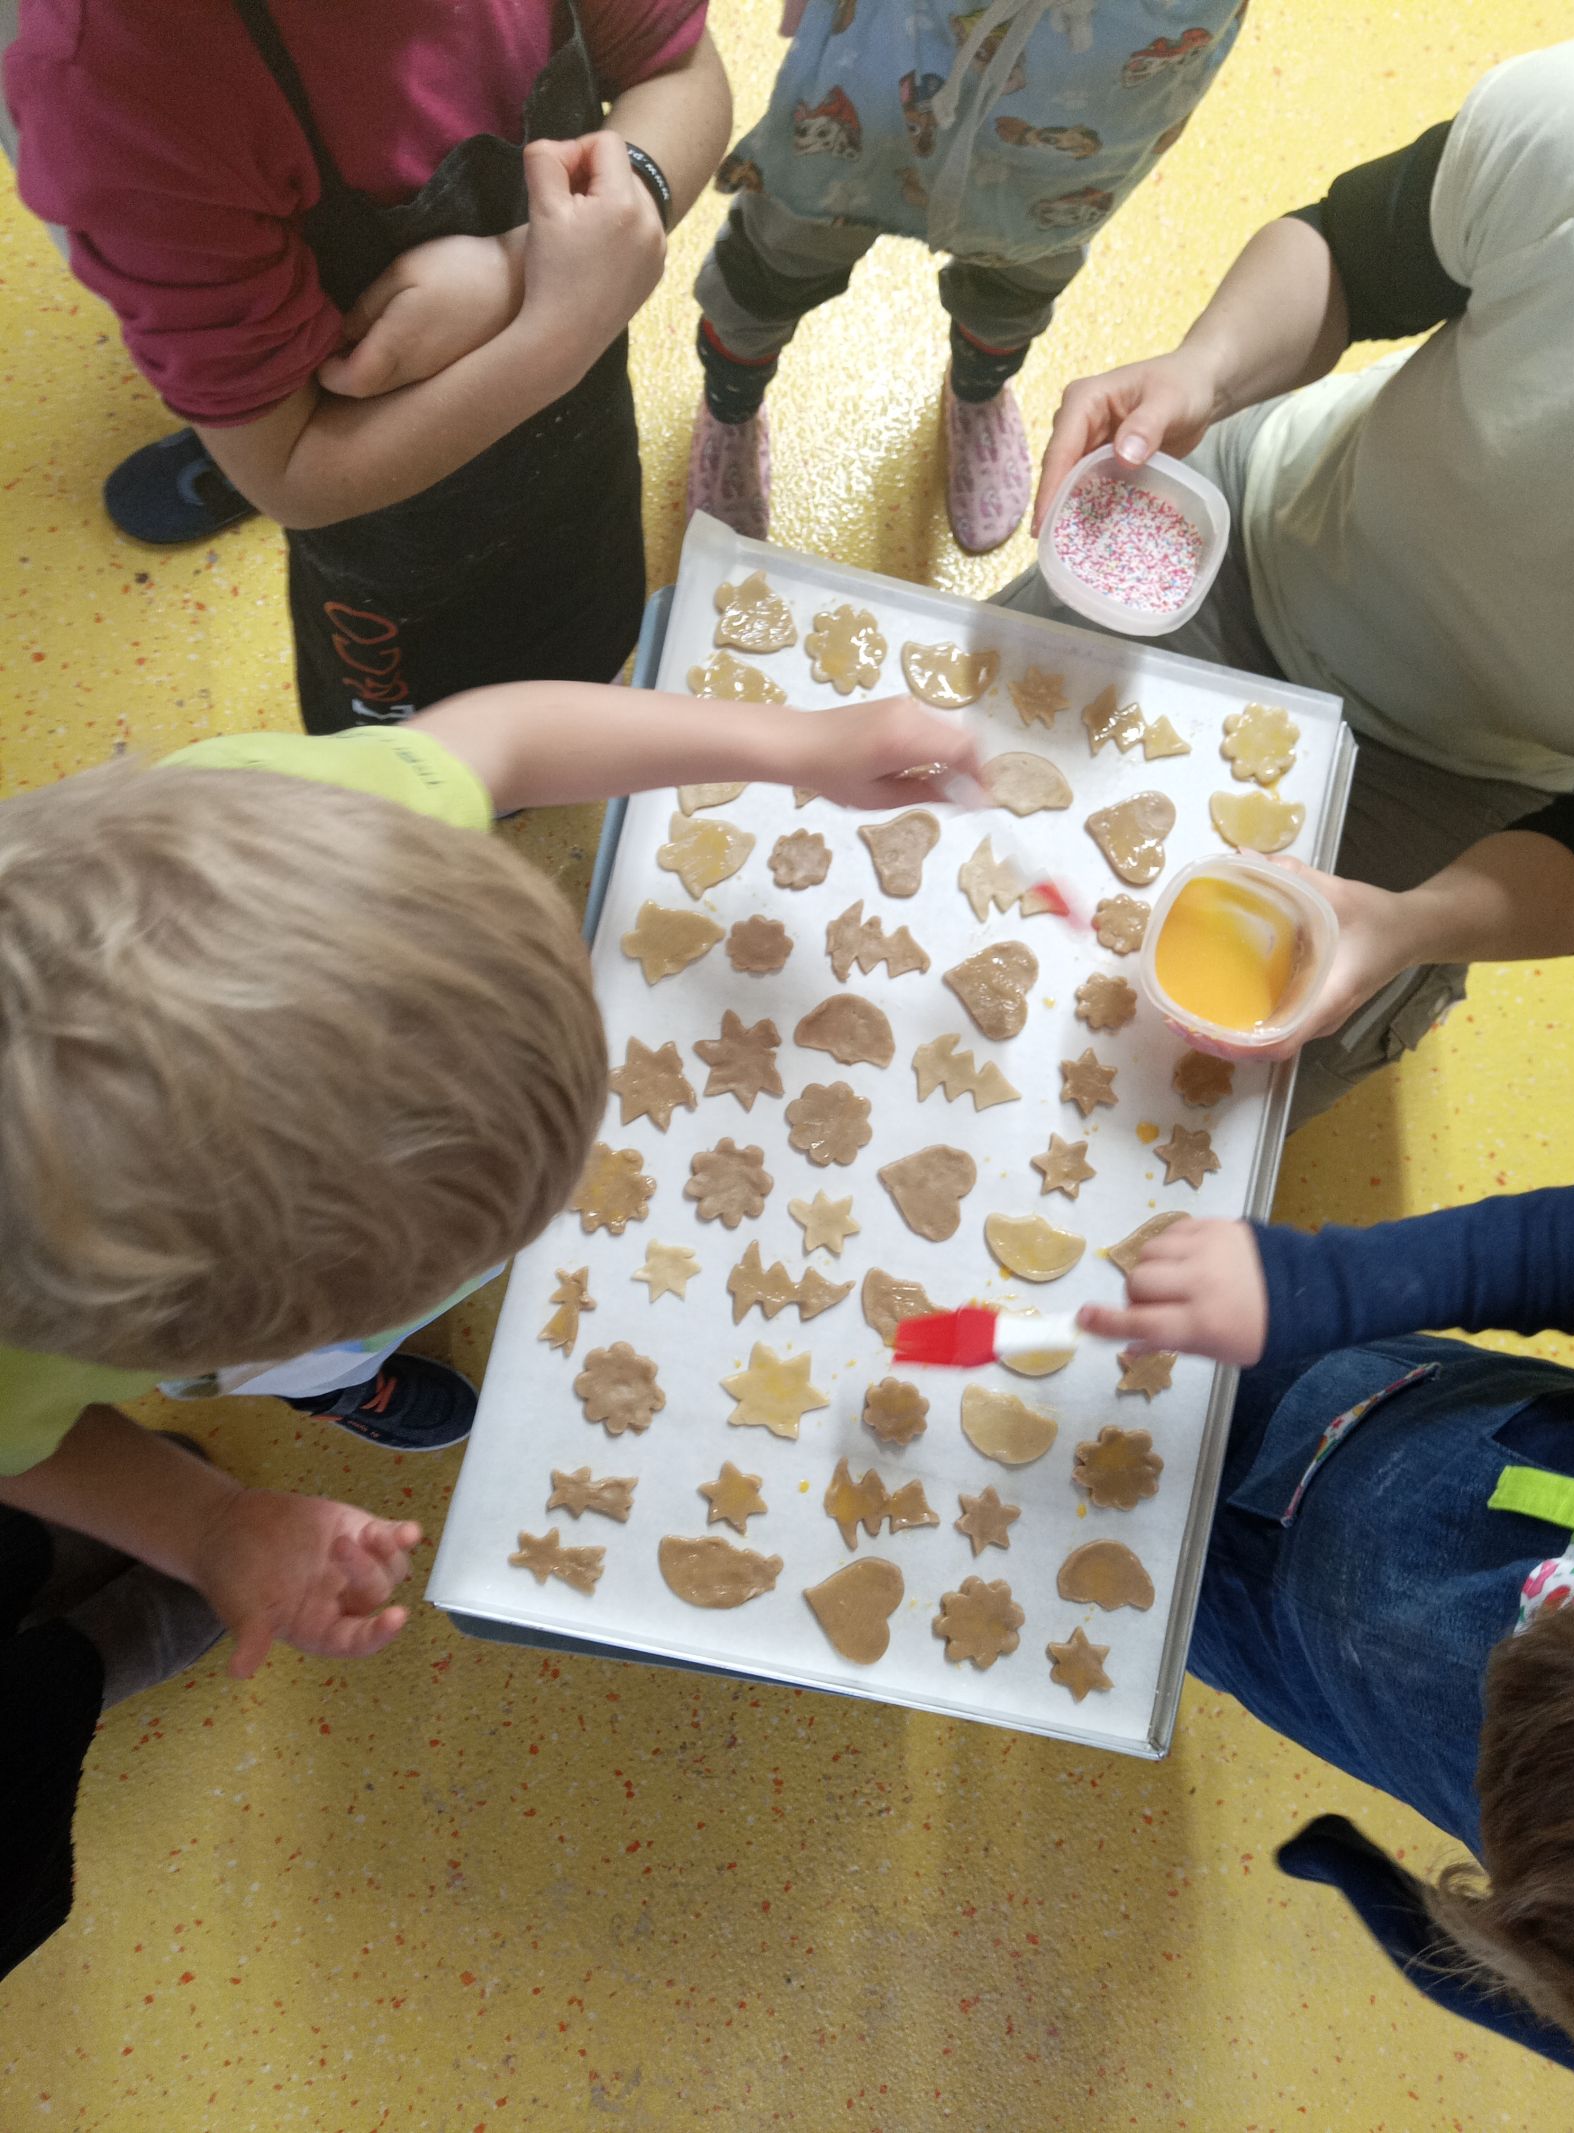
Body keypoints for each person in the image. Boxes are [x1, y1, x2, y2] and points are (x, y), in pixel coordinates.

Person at [0, 672, 983, 1979]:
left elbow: (501, 740)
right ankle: (325, 1382)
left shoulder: (302, 845)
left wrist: (799, 745)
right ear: (161, 1347)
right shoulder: (28, 1337)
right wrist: (204, 1522)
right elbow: (26, 1449)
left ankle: (327, 1370)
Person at [998, 35, 1574, 1119]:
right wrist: (1202, 371)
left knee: (1177, 1098)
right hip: (1250, 533)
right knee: (959, 801)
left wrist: (1410, 925)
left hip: (1455, 782)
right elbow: (1347, 253)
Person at [3, 0, 733, 715]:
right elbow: (290, 468)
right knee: (434, 753)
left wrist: (518, 267)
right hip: (393, 555)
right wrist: (558, 334)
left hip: (580, 460)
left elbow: (678, 72)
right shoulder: (121, 95)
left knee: (581, 641)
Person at [1077, 1190, 1574, 2094]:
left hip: (1278, 1647)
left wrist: (1429, 1930)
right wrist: (1322, 1288)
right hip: (1363, 1404)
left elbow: (1558, 2008)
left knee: (1096, 1567)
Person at [686, 0, 1248, 555]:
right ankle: (730, 400)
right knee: (782, 254)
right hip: (897, 39)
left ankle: (980, 387)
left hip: (1103, 72)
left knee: (1026, 264)